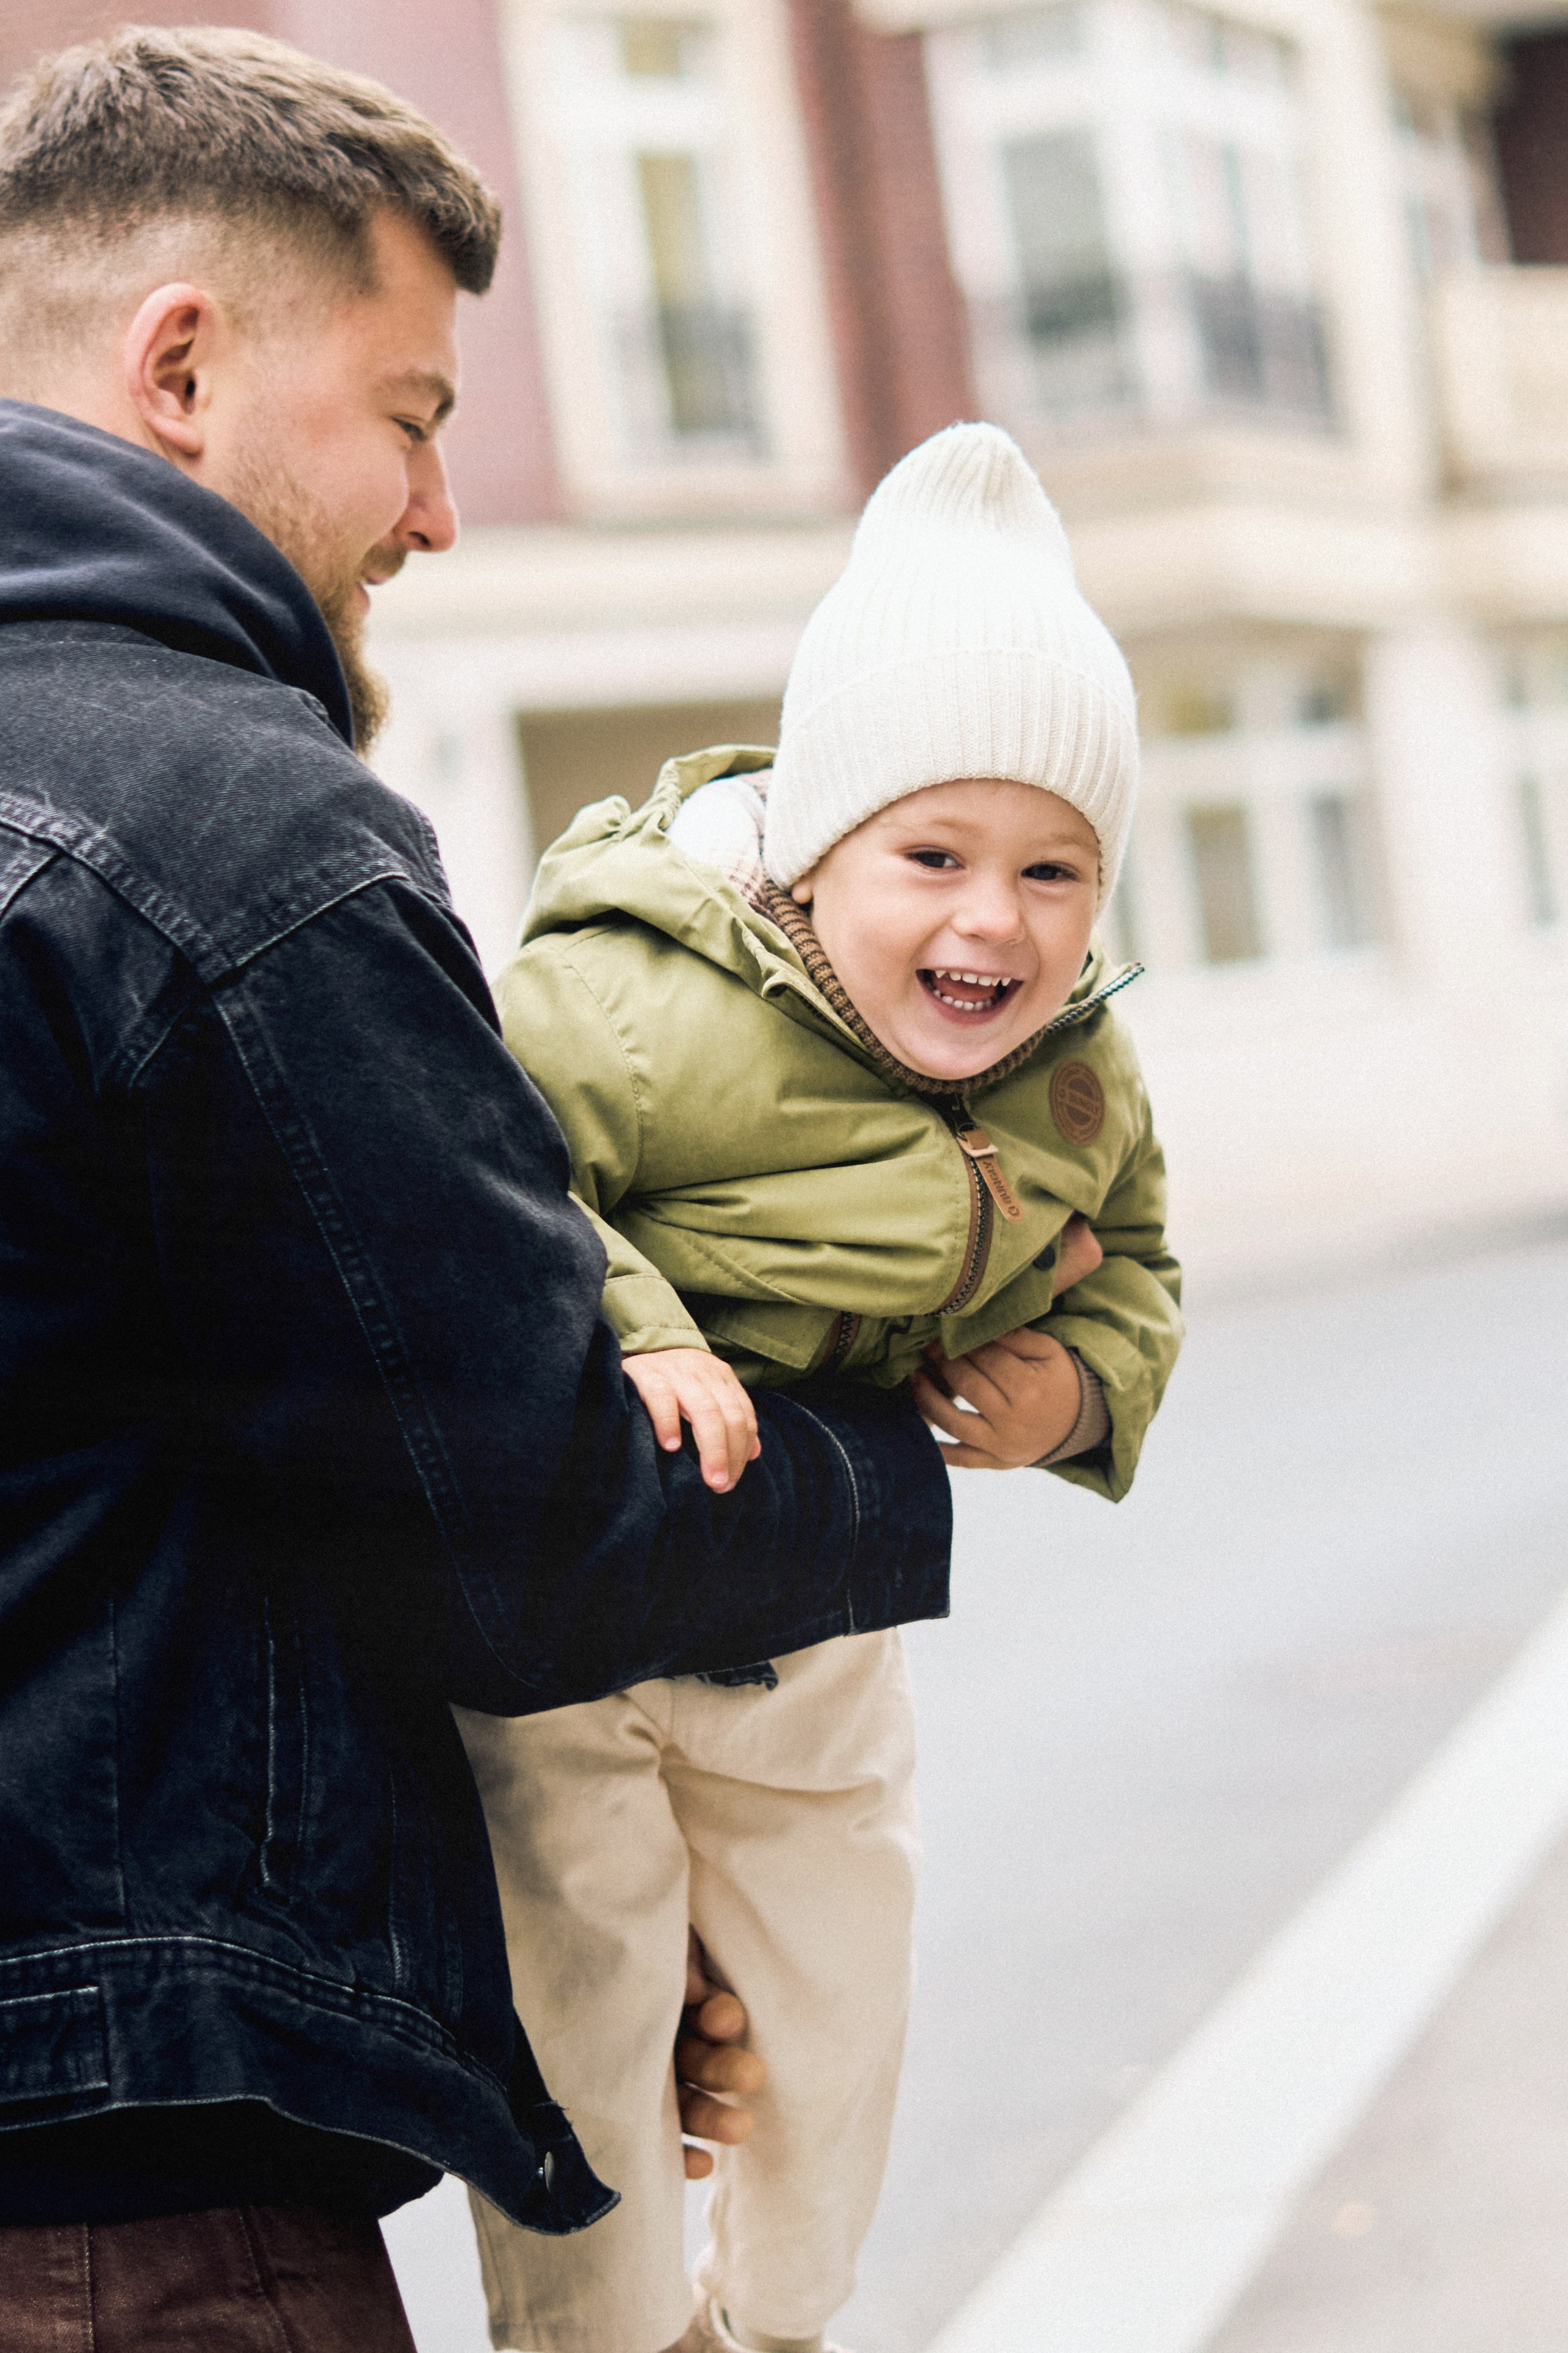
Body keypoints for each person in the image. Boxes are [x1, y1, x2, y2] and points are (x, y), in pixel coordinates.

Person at [0, 29, 954, 2351]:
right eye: (415, 414)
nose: (438, 510)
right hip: (132, 2221)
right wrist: (891, 1452)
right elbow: (523, 1531)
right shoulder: (243, 836)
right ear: (187, 363)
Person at [463, 421, 1185, 2353]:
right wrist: (650, 1328)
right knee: (592, 2031)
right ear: (809, 842)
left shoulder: (1072, 1075)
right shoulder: (633, 995)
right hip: (585, 1631)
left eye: (1057, 870)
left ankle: (774, 2328)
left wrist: (1081, 1394)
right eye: (932, 854)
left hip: (813, 1636)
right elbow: (485, 1174)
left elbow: (1148, 1259)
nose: (997, 923)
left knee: (837, 2028)